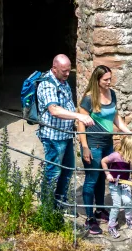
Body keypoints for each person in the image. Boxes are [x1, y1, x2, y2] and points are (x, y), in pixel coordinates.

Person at [77, 65, 132, 236]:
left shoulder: (112, 94)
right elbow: (80, 124)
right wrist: (85, 147)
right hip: (93, 144)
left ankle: (100, 210)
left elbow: (116, 118)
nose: (109, 82)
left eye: (110, 78)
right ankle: (89, 218)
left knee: (103, 177)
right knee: (92, 178)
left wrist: (130, 132)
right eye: (106, 80)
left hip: (107, 143)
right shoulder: (88, 99)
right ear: (97, 80)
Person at [36, 54, 93, 207]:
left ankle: (60, 202)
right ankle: (47, 206)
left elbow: (67, 106)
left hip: (66, 135)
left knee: (67, 171)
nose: (68, 74)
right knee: (53, 172)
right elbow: (54, 110)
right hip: (53, 137)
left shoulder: (63, 81)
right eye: (64, 71)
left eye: (69, 70)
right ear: (54, 69)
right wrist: (78, 116)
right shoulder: (48, 85)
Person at [101, 134, 132, 239]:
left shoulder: (129, 157)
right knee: (117, 204)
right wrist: (108, 174)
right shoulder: (115, 156)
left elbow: (129, 166)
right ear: (127, 148)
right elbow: (103, 161)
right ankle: (111, 225)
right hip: (115, 184)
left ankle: (128, 218)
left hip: (125, 183)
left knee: (127, 201)